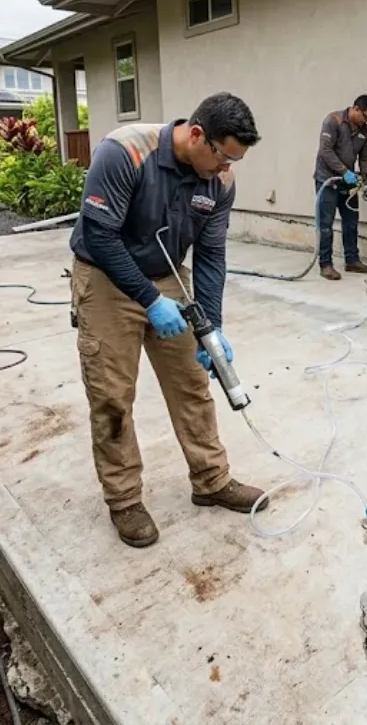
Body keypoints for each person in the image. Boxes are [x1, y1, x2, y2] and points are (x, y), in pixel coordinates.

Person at [69, 92, 269, 549]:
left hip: (166, 275)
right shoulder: (125, 151)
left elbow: (211, 254)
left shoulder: (220, 182)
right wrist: (148, 301)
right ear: (196, 134)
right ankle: (124, 501)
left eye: (233, 162)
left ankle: (211, 479)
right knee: (112, 394)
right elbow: (99, 235)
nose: (224, 171)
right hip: (105, 277)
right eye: (221, 159)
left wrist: (211, 326)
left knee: (192, 382)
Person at [313, 94, 367, 280]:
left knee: (351, 221)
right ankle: (325, 264)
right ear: (356, 109)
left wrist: (366, 183)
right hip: (327, 180)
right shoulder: (333, 121)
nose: (366, 121)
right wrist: (344, 172)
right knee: (326, 224)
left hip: (348, 184)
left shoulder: (364, 131)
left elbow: (364, 157)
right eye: (365, 116)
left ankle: (352, 260)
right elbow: (325, 150)